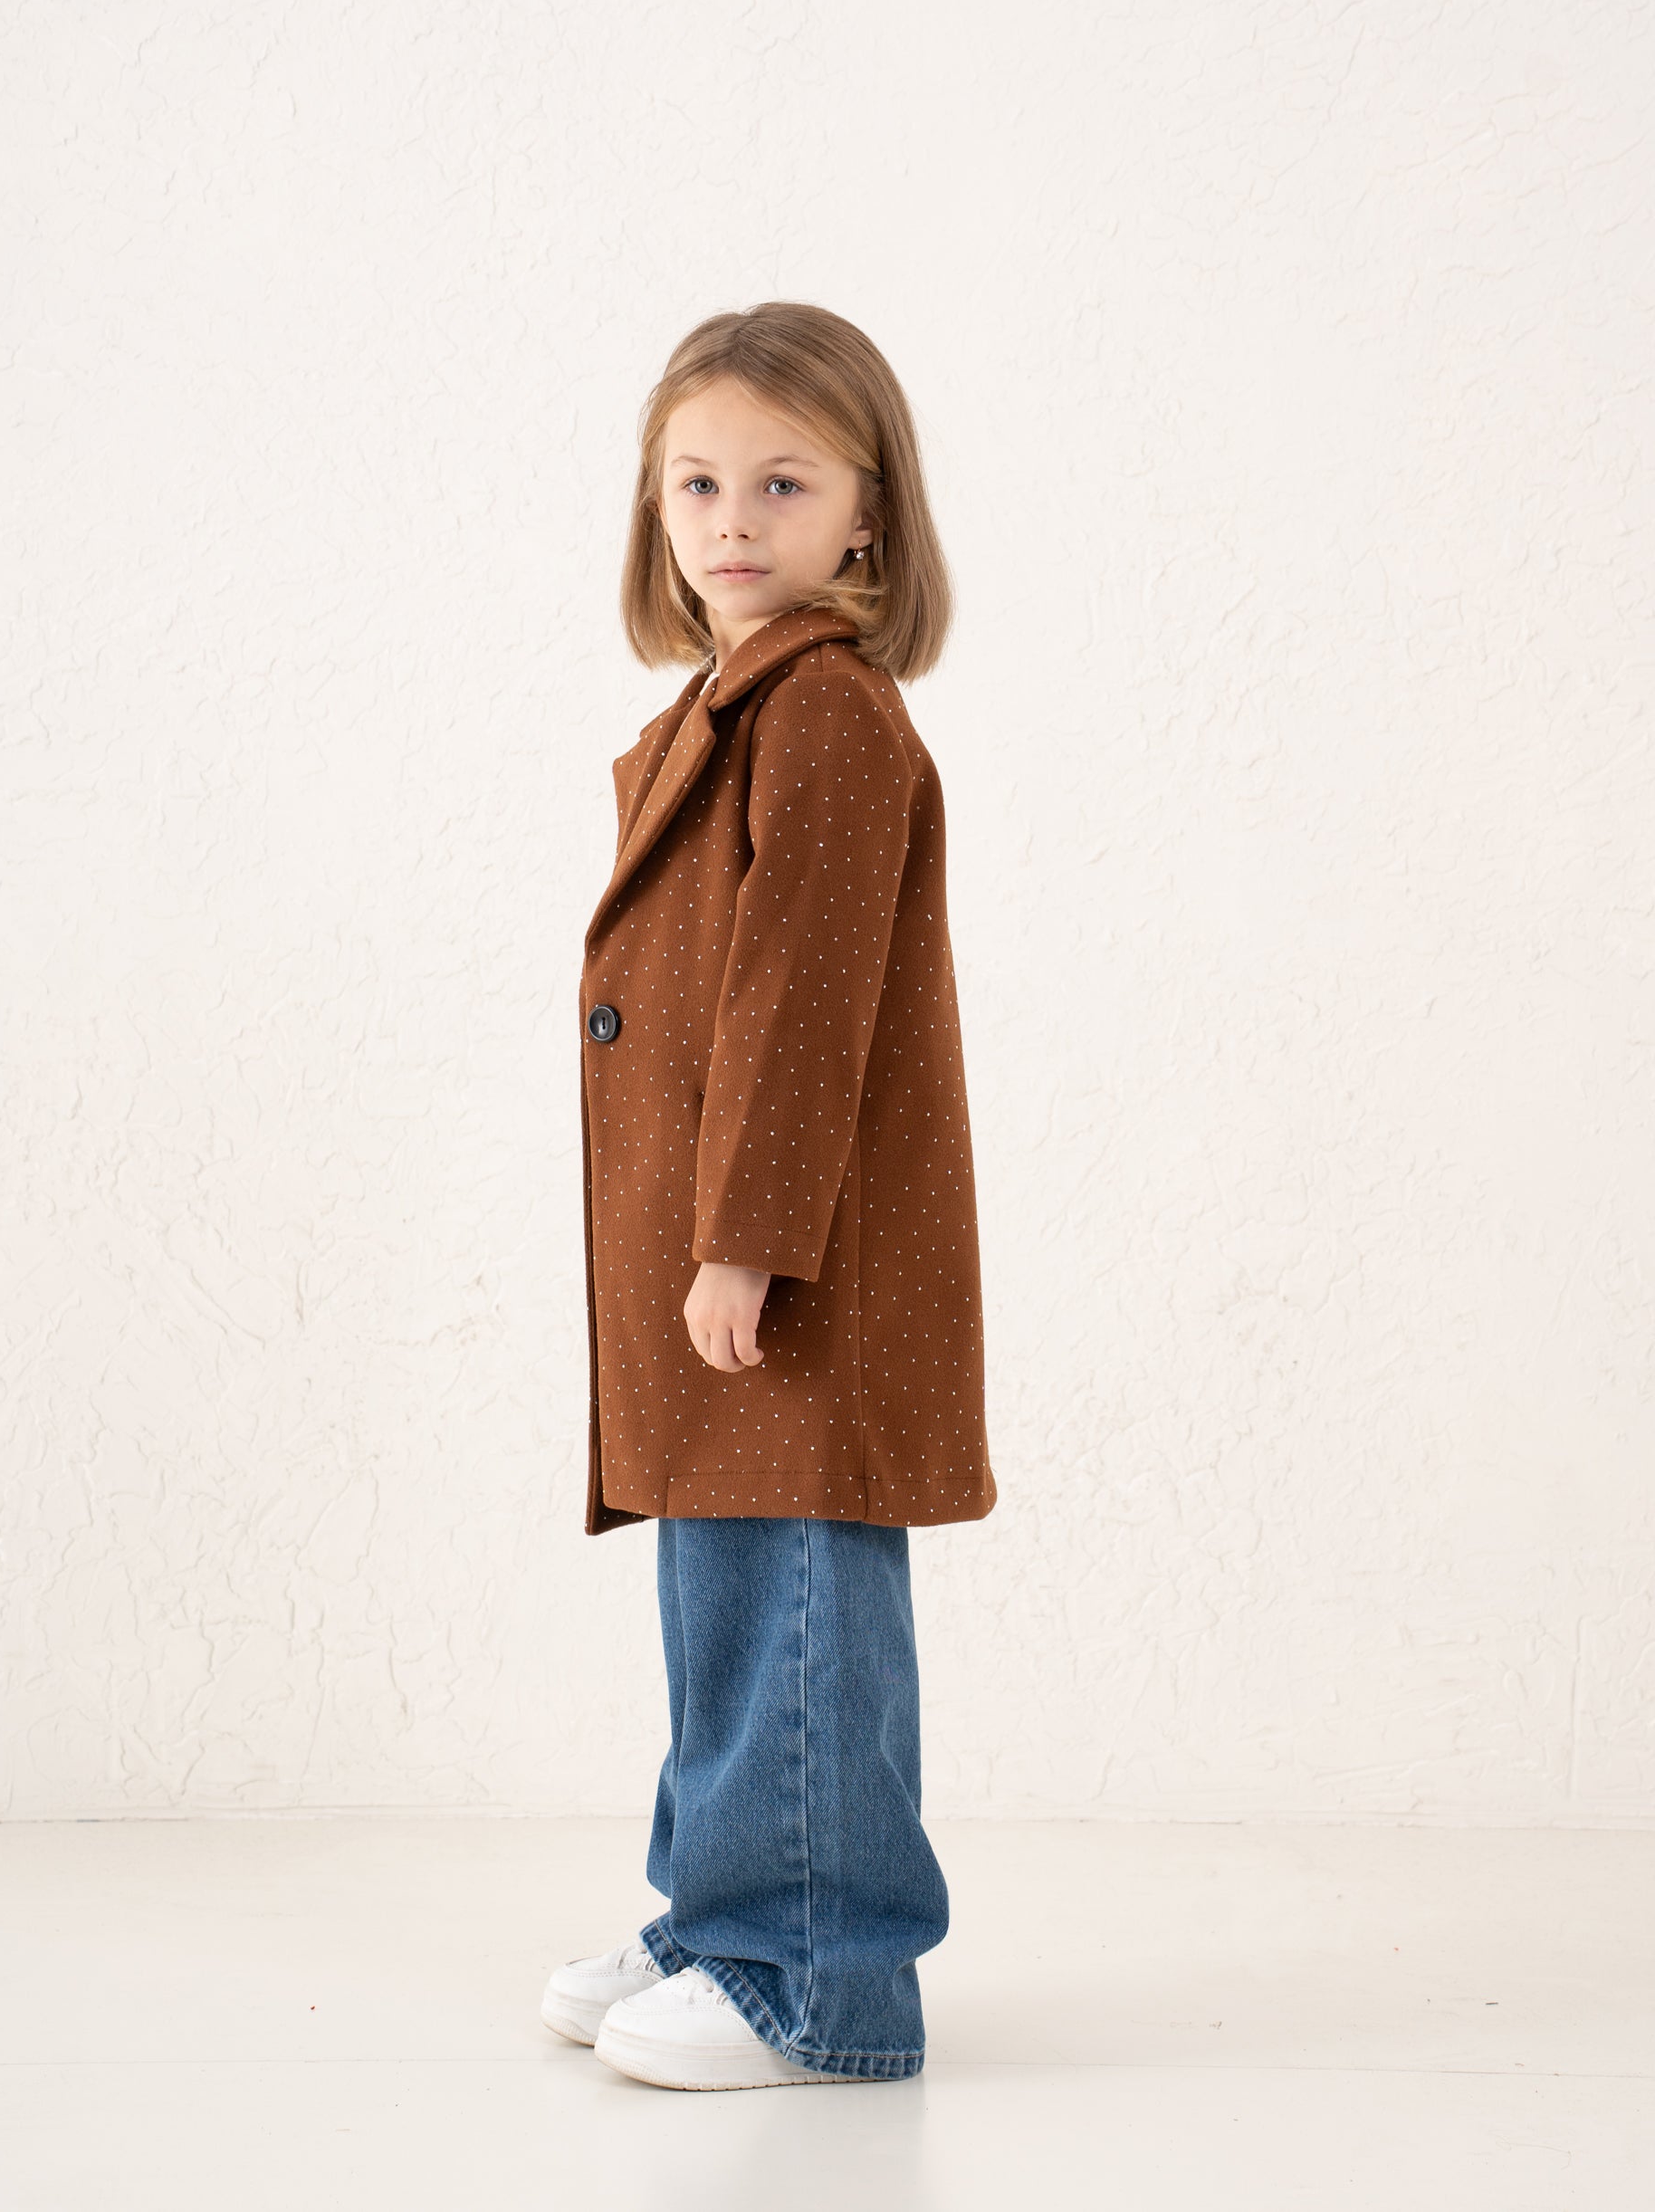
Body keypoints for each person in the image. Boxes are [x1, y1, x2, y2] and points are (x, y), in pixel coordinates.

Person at [542, 302, 997, 2091]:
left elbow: (799, 998)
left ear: (869, 513)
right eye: (698, 483)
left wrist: (745, 1238)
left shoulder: (823, 714)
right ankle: (717, 1914)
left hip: (796, 1263)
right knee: (725, 1595)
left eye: (783, 483)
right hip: (727, 1256)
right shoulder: (728, 710)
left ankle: (814, 1973)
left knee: (796, 1592)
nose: (732, 520)